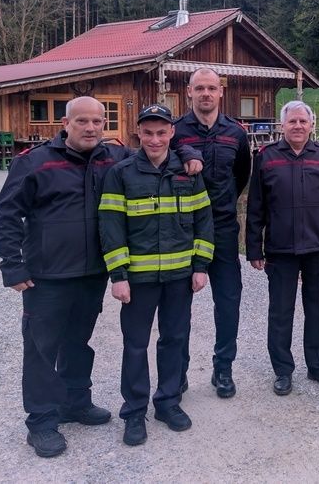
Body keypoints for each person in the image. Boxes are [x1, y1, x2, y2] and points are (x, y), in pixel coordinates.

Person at [0, 96, 201, 458]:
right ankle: (42, 421)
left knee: (78, 342)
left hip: (92, 273)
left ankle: (76, 401)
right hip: (47, 274)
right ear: (66, 123)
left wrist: (185, 151)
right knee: (42, 348)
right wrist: (12, 264)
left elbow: (157, 144)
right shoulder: (34, 163)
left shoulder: (113, 159)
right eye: (82, 122)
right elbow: (8, 214)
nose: (91, 128)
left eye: (97, 122)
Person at [98, 104, 215, 446]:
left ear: (172, 134)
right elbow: (111, 227)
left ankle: (167, 402)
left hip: (180, 276)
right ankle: (134, 412)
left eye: (161, 132)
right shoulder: (121, 174)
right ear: (138, 133)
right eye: (148, 132)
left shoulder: (189, 173)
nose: (154, 139)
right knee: (136, 345)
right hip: (138, 279)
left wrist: (200, 267)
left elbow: (204, 221)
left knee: (174, 340)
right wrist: (117, 275)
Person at [245, 100, 319, 396]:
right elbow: (255, 207)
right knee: (280, 312)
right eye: (293, 122)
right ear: (283, 125)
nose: (298, 126)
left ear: (311, 125)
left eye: (303, 121)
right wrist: (254, 248)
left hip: (317, 247)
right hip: (280, 249)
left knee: (316, 310)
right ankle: (283, 371)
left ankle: (318, 367)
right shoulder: (266, 158)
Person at [171, 67, 251, 399]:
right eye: (199, 88)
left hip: (223, 228)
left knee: (228, 300)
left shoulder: (236, 133)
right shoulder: (174, 132)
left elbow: (242, 175)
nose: (206, 93)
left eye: (212, 88)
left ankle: (223, 368)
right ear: (189, 92)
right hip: (181, 229)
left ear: (221, 92)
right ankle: (177, 372)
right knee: (178, 303)